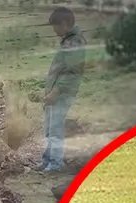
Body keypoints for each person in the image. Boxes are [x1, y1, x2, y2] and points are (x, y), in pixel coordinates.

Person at [36, 7, 86, 173]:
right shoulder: (68, 41)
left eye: (55, 26)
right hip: (55, 93)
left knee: (55, 129)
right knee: (49, 128)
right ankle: (47, 160)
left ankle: (55, 164)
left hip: (62, 93)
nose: (54, 31)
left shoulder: (75, 42)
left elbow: (72, 73)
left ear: (64, 24)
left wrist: (56, 91)